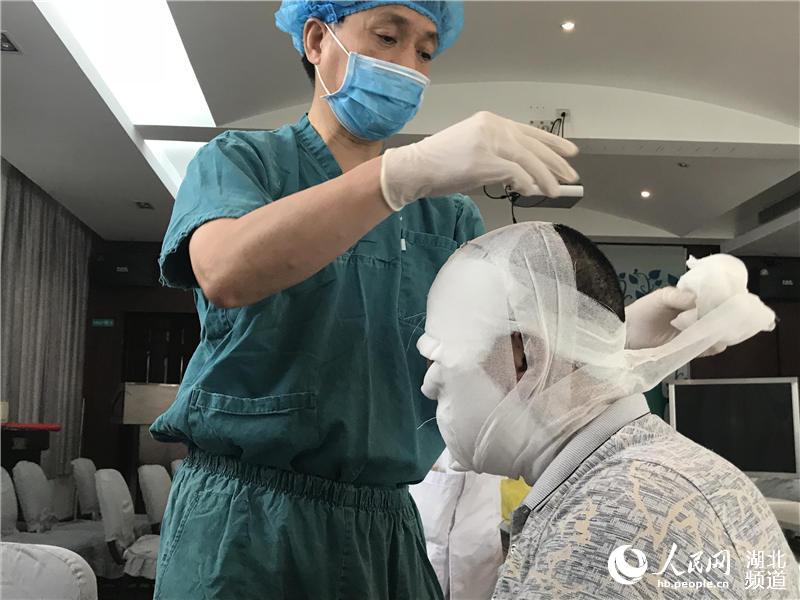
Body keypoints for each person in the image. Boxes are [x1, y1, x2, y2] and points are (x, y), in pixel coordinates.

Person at [149, 1, 712, 597]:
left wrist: (610, 341)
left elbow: (506, 364)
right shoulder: (244, 162)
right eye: (387, 37)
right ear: (316, 40)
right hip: (247, 521)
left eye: (424, 50)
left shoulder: (447, 218)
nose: (408, 65)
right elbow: (225, 269)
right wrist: (397, 176)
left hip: (384, 523)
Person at [418, 221, 798, 599]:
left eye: (443, 355)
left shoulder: (617, 515)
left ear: (523, 356)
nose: (429, 383)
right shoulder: (636, 476)